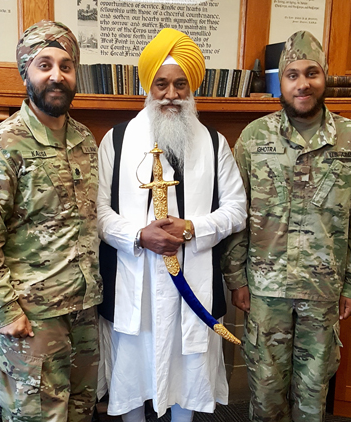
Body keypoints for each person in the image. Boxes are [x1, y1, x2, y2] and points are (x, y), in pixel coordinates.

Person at [223, 30, 351, 422]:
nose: (303, 83)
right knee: (266, 392)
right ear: (282, 81)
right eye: (292, 74)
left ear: (324, 78)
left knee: (313, 393)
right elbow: (236, 212)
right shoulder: (254, 138)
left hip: (323, 291)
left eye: (312, 73)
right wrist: (235, 278)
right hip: (265, 290)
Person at [96, 28, 247, 422]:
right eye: (161, 84)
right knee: (131, 383)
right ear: (148, 86)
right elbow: (96, 212)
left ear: (191, 87)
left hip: (191, 286)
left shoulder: (215, 144)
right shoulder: (116, 139)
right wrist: (137, 235)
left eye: (181, 84)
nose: (171, 94)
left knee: (188, 381)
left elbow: (237, 209)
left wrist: (193, 227)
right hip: (135, 283)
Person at [0, 20, 101, 422]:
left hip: (83, 313)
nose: (57, 75)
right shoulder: (0, 144)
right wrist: (7, 314)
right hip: (32, 320)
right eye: (44, 65)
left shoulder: (84, 140)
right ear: (27, 72)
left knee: (80, 413)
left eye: (66, 65)